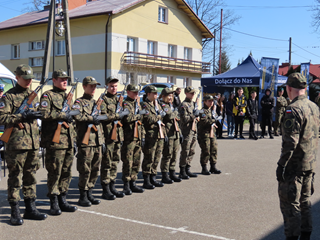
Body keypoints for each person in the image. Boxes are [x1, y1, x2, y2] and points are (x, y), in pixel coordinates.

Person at [0, 64, 47, 225]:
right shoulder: (8, 97)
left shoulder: (32, 96)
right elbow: (2, 118)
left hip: (33, 143)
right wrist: (21, 117)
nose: (28, 82)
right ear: (17, 77)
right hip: (16, 145)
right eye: (25, 79)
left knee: (31, 176)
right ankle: (14, 211)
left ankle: (30, 208)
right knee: (15, 178)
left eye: (30, 79)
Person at [276, 72, 319, 240]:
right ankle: (306, 235)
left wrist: (281, 165)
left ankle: (293, 237)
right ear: (305, 88)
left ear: (288, 88)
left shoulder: (293, 109)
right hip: (310, 164)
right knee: (305, 202)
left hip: (294, 167)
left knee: (290, 205)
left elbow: (290, 143)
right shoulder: (314, 107)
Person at [39, 69, 77, 215]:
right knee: (55, 172)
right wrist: (62, 114)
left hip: (68, 140)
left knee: (66, 171)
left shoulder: (68, 97)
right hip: (55, 142)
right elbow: (43, 114)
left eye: (66, 79)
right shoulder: (47, 95)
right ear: (54, 80)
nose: (64, 81)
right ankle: (53, 201)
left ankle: (63, 199)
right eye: (61, 79)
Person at [72, 76, 104, 207]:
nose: (93, 89)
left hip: (97, 141)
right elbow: (77, 116)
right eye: (91, 86)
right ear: (84, 86)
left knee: (95, 169)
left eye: (95, 86)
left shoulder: (97, 103)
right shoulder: (78, 103)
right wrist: (91, 118)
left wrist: (102, 141)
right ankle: (83, 195)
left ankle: (90, 191)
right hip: (86, 142)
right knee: (85, 169)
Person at [99, 77, 129, 200]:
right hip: (108, 136)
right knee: (107, 163)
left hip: (118, 136)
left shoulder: (119, 100)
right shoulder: (103, 100)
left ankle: (112, 186)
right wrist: (117, 115)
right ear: (106, 86)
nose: (114, 88)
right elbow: (103, 116)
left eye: (116, 86)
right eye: (111, 86)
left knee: (115, 162)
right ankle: (105, 189)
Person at [120, 84, 145, 194]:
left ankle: (133, 182)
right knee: (128, 162)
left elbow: (141, 121)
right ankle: (126, 184)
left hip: (137, 136)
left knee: (136, 161)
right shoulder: (125, 104)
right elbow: (127, 118)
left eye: (137, 92)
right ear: (128, 92)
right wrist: (138, 115)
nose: (136, 94)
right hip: (129, 137)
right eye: (134, 92)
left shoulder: (137, 104)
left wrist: (142, 136)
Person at [141, 85, 166, 189]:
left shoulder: (156, 104)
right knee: (149, 157)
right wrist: (160, 116)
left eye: (157, 93)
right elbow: (148, 119)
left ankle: (153, 177)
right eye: (154, 93)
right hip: (150, 136)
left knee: (157, 157)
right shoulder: (144, 105)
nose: (156, 95)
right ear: (148, 94)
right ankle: (146, 180)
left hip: (159, 134)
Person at [159, 88, 182, 183]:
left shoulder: (171, 105)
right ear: (163, 96)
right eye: (168, 95)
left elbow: (178, 117)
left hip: (175, 132)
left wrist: (179, 133)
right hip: (168, 133)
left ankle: (172, 172)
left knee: (174, 154)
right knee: (167, 154)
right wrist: (175, 112)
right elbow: (170, 116)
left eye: (171, 95)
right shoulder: (163, 105)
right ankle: (165, 174)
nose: (170, 97)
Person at [179, 86, 200, 179]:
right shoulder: (183, 105)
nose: (193, 94)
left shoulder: (193, 104)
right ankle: (182, 170)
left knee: (192, 151)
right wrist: (193, 115)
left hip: (193, 130)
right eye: (191, 93)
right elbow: (184, 119)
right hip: (186, 131)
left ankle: (188, 168)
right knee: (185, 151)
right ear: (186, 93)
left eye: (193, 93)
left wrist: (198, 115)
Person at [197, 95, 221, 175]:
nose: (211, 102)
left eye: (212, 101)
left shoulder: (212, 110)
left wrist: (216, 116)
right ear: (205, 102)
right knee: (206, 150)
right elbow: (204, 121)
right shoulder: (202, 111)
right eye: (209, 101)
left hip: (212, 133)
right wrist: (213, 120)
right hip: (204, 133)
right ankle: (204, 168)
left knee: (214, 149)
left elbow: (218, 118)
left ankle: (213, 167)